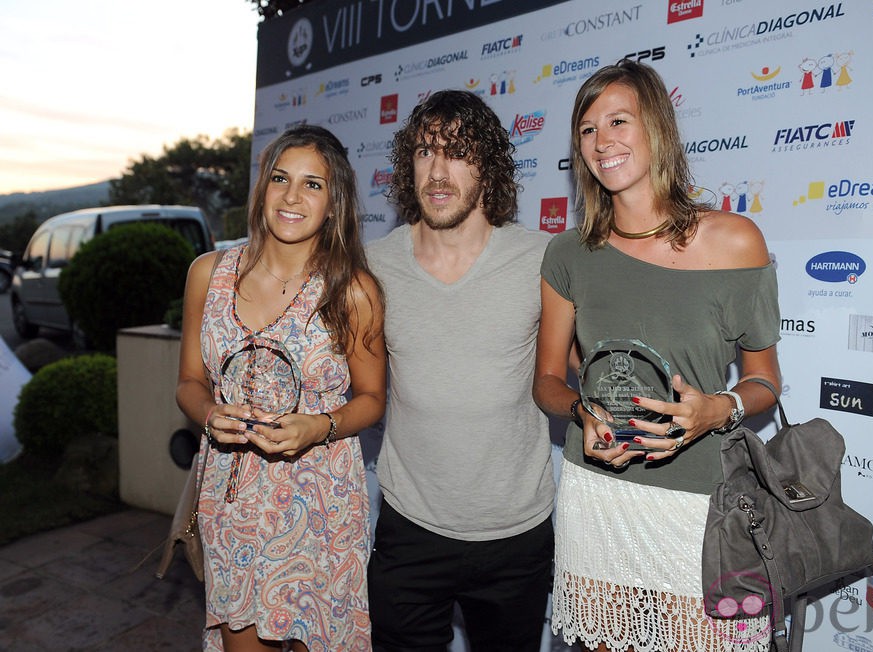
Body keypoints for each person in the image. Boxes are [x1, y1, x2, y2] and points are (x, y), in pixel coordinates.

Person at [532, 59, 782, 652]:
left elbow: (766, 381)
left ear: (657, 130)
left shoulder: (735, 241)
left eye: (619, 121)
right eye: (588, 130)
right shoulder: (569, 254)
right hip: (599, 498)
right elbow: (547, 377)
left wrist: (715, 411)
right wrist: (580, 414)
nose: (602, 141)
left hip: (703, 508)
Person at [175, 125, 386, 651]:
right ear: (262, 189)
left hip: (322, 504)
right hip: (233, 502)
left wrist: (320, 426)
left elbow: (372, 399)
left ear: (334, 204)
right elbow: (188, 382)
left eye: (313, 185)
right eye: (280, 179)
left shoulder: (353, 290)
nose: (293, 197)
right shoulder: (208, 274)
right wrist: (209, 414)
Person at [366, 89, 555, 651]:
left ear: (489, 168)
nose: (439, 172)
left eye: (458, 152)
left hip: (517, 534)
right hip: (409, 528)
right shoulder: (373, 266)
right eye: (426, 152)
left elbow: (585, 367)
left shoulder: (542, 259)